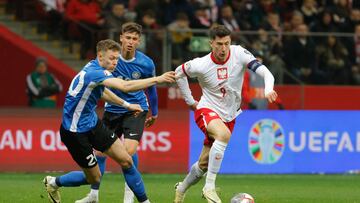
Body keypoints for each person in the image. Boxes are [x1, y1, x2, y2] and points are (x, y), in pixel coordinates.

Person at [43, 39, 175, 203]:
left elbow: (102, 92)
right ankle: (53, 183)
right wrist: (157, 79)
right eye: (111, 58)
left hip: (92, 123)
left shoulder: (95, 69)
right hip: (75, 132)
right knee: (94, 178)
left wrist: (126, 105)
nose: (115, 62)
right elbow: (125, 86)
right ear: (100, 56)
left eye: (117, 59)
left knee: (126, 160)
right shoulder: (95, 72)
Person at [173, 25, 277, 203]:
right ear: (211, 43)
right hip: (207, 110)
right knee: (223, 135)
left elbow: (265, 72)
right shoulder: (200, 64)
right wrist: (190, 101)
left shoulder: (239, 53)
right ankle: (210, 187)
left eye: (227, 43)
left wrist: (268, 89)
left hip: (230, 115)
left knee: (203, 164)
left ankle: (181, 189)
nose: (223, 48)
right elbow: (178, 73)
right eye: (219, 44)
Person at [75, 22, 159, 203]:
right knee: (99, 153)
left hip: (136, 109)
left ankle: (128, 197)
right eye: (127, 38)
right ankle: (93, 195)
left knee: (128, 151)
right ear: (121, 38)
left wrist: (155, 112)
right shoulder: (110, 58)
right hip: (112, 109)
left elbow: (151, 89)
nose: (130, 42)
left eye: (134, 39)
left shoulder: (146, 63)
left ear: (139, 41)